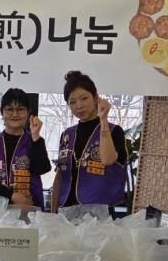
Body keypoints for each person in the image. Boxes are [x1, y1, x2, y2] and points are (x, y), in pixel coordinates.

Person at [51, 71, 128, 212]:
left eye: (84, 98)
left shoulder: (114, 131)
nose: (79, 105)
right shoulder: (67, 135)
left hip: (99, 213)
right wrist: (53, 212)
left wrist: (103, 119)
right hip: (66, 211)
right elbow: (60, 176)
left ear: (95, 98)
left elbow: (108, 159)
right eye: (72, 102)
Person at [0, 88, 52, 208]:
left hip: (29, 208)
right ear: (1, 112)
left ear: (28, 113)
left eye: (20, 109)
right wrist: (11, 195)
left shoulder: (35, 140)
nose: (15, 114)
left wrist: (35, 137)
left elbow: (42, 169)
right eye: (9, 109)